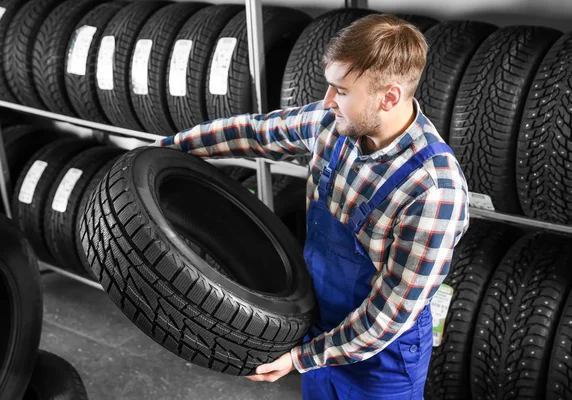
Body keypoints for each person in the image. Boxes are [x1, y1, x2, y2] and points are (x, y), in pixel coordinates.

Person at [157, 13, 469, 400]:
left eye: (341, 90)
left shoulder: (433, 190)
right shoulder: (332, 123)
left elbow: (387, 317)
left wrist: (301, 358)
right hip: (320, 324)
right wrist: (167, 150)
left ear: (389, 97)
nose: (327, 102)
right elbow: (254, 133)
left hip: (382, 363)